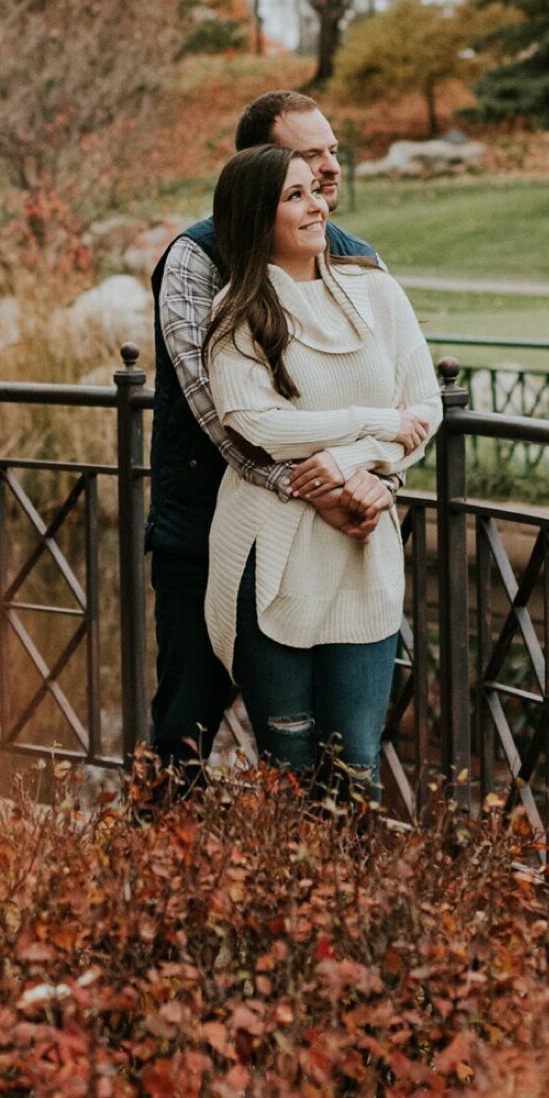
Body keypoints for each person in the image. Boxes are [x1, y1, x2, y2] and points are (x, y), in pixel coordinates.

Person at [146, 91, 385, 779]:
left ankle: (312, 879)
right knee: (183, 739)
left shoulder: (361, 263)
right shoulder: (196, 258)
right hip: (206, 536)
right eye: (309, 156)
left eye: (333, 151)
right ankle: (159, 873)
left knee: (332, 755)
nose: (329, 169)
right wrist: (297, 482)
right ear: (257, 167)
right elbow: (216, 407)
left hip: (330, 545)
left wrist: (372, 478)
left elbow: (396, 400)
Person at [203, 145, 441, 801]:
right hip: (270, 552)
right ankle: (295, 900)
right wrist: (375, 421)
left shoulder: (377, 292)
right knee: (290, 757)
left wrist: (361, 460)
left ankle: (352, 903)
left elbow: (423, 406)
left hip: (361, 543)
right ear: (258, 215)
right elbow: (252, 420)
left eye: (316, 190)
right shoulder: (235, 314)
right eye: (295, 195)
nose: (317, 205)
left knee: (357, 765)